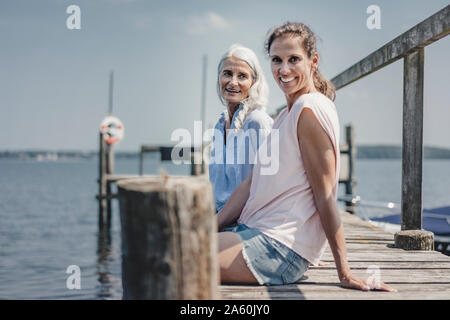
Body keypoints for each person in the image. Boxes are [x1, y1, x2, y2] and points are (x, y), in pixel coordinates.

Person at [217, 22, 396, 292]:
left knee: (177, 258)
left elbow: (325, 196)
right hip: (255, 232)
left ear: (313, 61)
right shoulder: (285, 115)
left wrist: (344, 271)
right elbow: (249, 184)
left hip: (278, 249)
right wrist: (210, 225)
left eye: (294, 59)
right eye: (277, 60)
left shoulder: (309, 109)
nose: (284, 69)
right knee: (172, 244)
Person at [209, 44, 273, 213]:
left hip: (247, 221)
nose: (233, 82)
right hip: (221, 216)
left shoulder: (257, 122)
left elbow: (265, 189)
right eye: (227, 74)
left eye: (242, 76)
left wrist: (216, 224)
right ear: (219, 78)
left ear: (253, 82)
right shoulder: (220, 125)